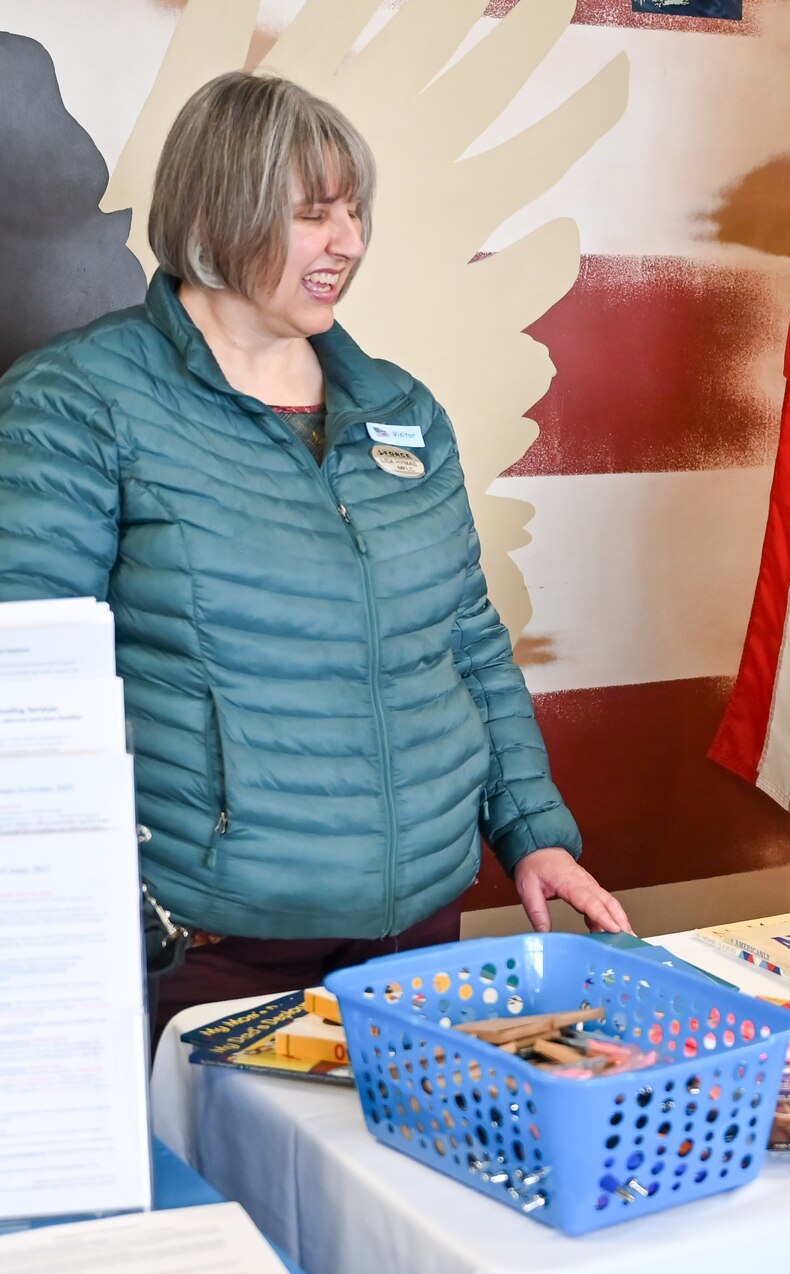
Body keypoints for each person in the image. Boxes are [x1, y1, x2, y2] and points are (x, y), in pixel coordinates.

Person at [0, 73, 629, 1031]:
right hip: (211, 943)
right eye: (312, 214)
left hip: (416, 924)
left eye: (355, 212)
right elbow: (34, 693)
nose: (351, 241)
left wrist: (537, 835)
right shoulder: (78, 404)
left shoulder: (400, 409)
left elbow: (467, 645)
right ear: (220, 212)